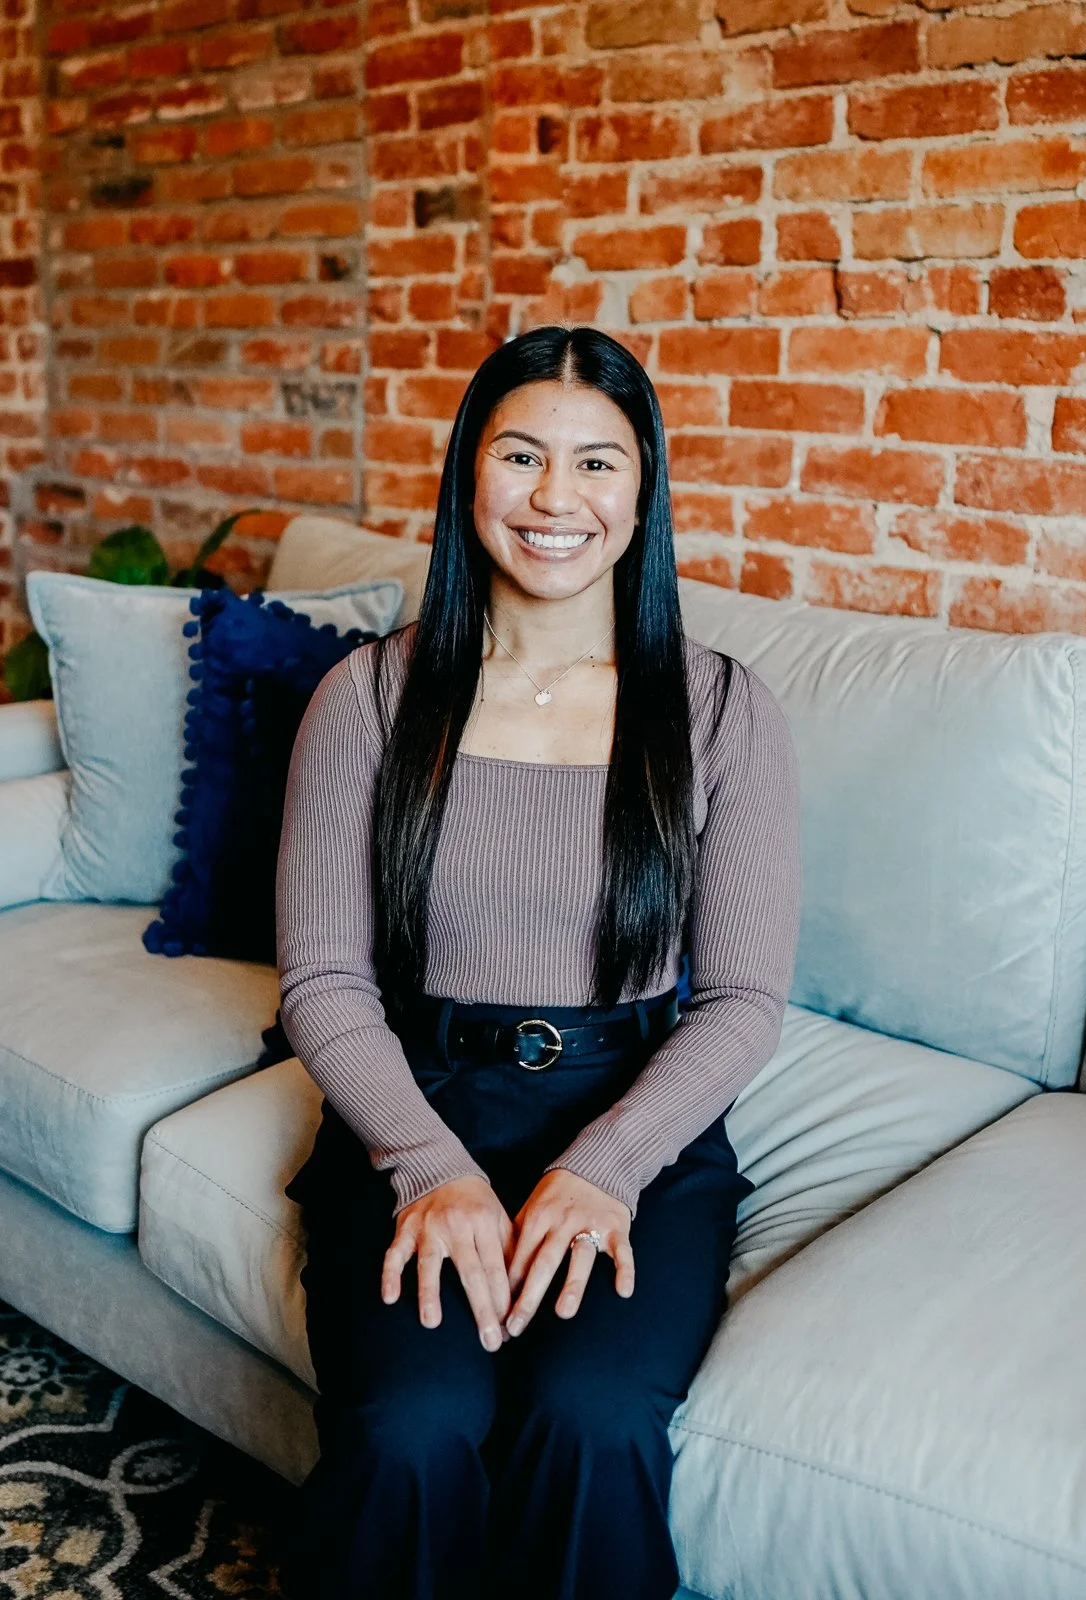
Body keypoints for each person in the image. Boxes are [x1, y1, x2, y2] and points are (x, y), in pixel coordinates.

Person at [275, 324, 802, 1600]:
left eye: (597, 463)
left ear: (643, 490)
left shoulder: (724, 708)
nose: (556, 499)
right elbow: (324, 982)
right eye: (521, 455)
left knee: (593, 1418)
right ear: (468, 475)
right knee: (412, 1427)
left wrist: (605, 1170)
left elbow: (738, 1000)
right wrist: (427, 1171)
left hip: (638, 1124)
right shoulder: (370, 697)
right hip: (419, 1101)